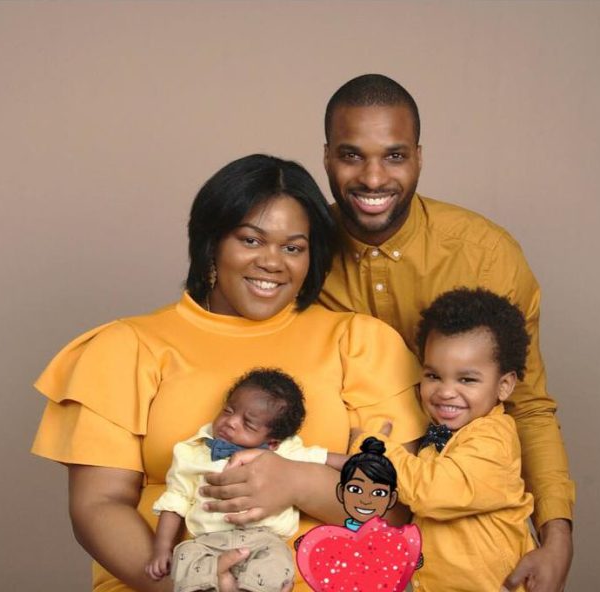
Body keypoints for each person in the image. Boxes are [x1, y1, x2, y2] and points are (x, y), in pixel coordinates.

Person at [31, 153, 423, 592]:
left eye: (293, 247)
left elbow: (395, 510)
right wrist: (191, 585)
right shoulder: (126, 347)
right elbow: (100, 504)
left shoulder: (360, 343)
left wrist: (299, 482)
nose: (272, 262)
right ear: (211, 244)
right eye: (251, 240)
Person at [318, 74, 575, 592]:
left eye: (394, 156)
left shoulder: (486, 255)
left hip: (469, 539)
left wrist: (557, 539)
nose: (373, 177)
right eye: (351, 156)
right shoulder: (298, 251)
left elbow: (528, 406)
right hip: (343, 520)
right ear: (326, 158)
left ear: (418, 157)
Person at [354, 288, 536, 591]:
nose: (446, 392)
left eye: (467, 379)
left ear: (504, 385)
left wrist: (376, 451)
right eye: (433, 376)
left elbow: (430, 492)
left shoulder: (493, 441)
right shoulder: (442, 432)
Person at [146, 368, 336, 592]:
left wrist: (363, 458)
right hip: (206, 541)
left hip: (264, 541)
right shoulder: (191, 452)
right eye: (228, 411)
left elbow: (324, 458)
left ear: (272, 442)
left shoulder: (284, 452)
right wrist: (162, 548)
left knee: (276, 563)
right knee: (185, 556)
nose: (231, 422)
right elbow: (176, 499)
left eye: (248, 424)